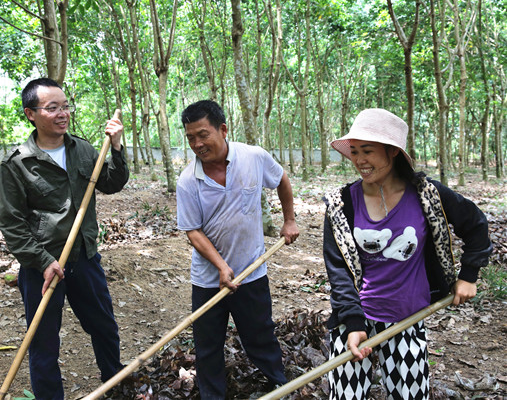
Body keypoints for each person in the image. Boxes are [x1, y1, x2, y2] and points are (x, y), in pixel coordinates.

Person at [322, 108, 492, 399]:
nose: (359, 160)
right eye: (354, 152)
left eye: (368, 151)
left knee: (411, 395)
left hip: (407, 318)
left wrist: (468, 276)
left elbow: (476, 226)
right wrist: (352, 323)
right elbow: (338, 270)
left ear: (392, 152)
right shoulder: (341, 205)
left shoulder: (427, 195)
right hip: (355, 317)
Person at [0, 78, 129, 399]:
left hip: (84, 258)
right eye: (52, 108)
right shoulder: (17, 164)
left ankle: (117, 389)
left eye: (65, 106)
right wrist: (42, 262)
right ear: (31, 114)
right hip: (41, 267)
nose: (62, 113)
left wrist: (116, 147)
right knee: (43, 344)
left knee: (105, 329)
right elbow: (12, 223)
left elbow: (112, 183)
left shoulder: (81, 148)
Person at [176, 100, 299, 399]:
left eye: (203, 134)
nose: (197, 144)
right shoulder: (188, 180)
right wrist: (220, 266)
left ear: (223, 129)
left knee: (260, 335)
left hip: (252, 271)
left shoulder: (253, 157)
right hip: (208, 279)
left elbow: (281, 179)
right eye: (191, 137)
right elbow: (193, 231)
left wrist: (289, 220)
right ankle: (212, 395)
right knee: (207, 345)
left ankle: (279, 385)